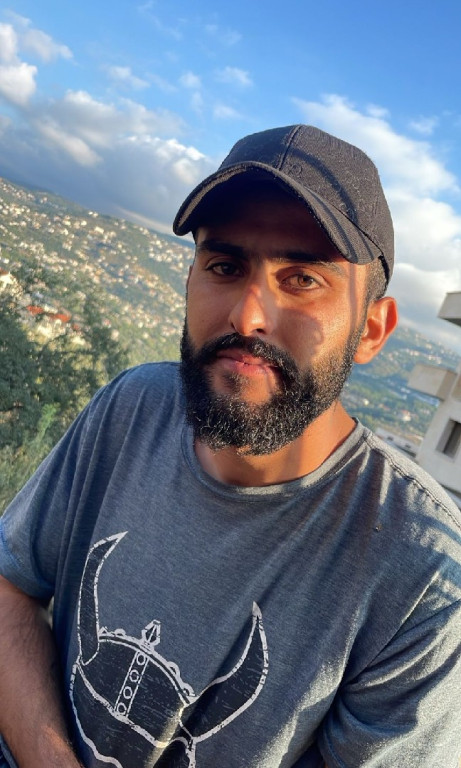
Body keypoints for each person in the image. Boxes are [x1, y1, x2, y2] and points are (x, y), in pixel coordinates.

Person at [0, 124, 459, 768]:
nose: (248, 316)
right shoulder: (132, 409)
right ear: (191, 280)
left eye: (303, 278)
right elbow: (11, 589)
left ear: (371, 330)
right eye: (224, 266)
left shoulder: (422, 574)